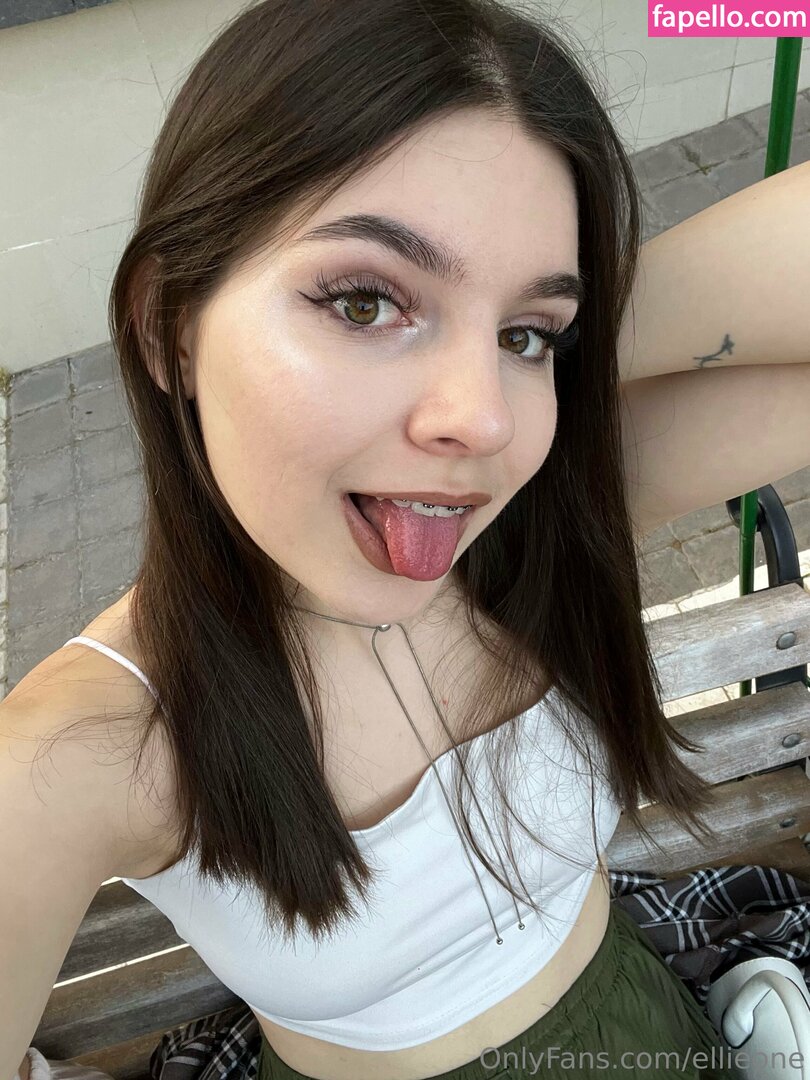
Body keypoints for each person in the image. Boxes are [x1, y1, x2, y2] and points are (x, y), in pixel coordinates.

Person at [10, 0, 809, 1077]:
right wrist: (510, 333)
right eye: (363, 303)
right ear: (170, 325)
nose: (481, 422)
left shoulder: (530, 533)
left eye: (530, 334)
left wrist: (577, 347)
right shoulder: (78, 751)